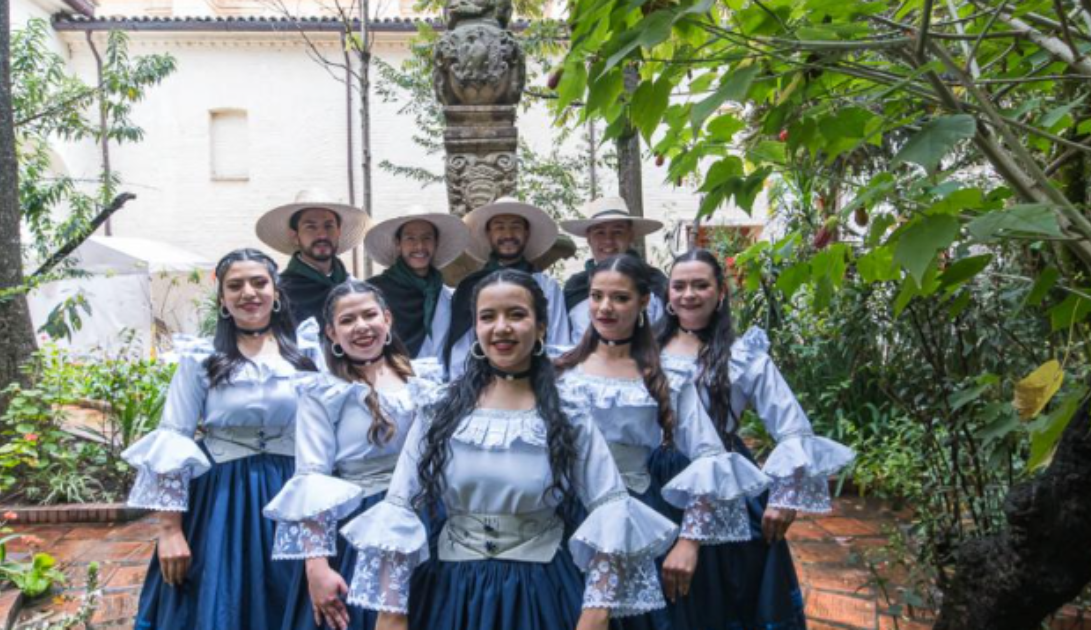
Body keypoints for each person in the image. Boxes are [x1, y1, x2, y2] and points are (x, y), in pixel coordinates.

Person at [339, 269, 677, 630]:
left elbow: (610, 506)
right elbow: (400, 506)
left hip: (541, 592)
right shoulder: (439, 409)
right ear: (476, 328)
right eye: (488, 317)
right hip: (451, 593)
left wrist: (594, 614)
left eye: (516, 315)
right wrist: (392, 615)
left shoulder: (568, 411)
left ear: (542, 327)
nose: (501, 328)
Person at [554, 254, 772, 629]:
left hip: (633, 511)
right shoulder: (557, 370)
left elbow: (709, 455)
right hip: (562, 517)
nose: (605, 307)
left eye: (620, 298)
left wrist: (689, 541)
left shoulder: (664, 376)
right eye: (596, 295)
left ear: (644, 303)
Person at [656, 249, 855, 629]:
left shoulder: (742, 355)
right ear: (668, 294)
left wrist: (784, 497)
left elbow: (792, 426)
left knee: (727, 596)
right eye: (679, 286)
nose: (688, 295)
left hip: (727, 480)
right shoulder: (647, 349)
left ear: (721, 292)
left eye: (701, 285)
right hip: (658, 482)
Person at [125, 248, 318, 630]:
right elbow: (174, 437)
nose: (249, 292)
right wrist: (170, 530)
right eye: (236, 285)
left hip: (291, 492)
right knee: (223, 597)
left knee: (292, 597)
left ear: (276, 292)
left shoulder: (306, 353)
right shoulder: (202, 357)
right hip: (223, 498)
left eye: (259, 282)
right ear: (223, 299)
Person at [263, 281, 441, 630]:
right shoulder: (323, 390)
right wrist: (316, 566)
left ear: (387, 319)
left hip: (425, 518)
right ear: (331, 332)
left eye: (369, 314)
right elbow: (313, 477)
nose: (361, 326)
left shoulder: (422, 378)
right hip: (359, 524)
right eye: (347, 320)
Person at [443, 197, 571, 379]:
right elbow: (461, 352)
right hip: (482, 388)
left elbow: (559, 344)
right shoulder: (470, 287)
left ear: (527, 233)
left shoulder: (547, 286)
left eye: (516, 226)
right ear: (488, 233)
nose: (508, 234)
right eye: (500, 227)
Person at [364, 206, 471, 360]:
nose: (419, 246)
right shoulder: (373, 292)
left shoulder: (446, 296)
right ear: (398, 244)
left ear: (436, 243)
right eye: (410, 238)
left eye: (427, 238)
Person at [256, 188, 370, 329]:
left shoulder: (356, 288)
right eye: (311, 227)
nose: (322, 235)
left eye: (329, 226)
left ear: (338, 232)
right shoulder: (280, 293)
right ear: (295, 236)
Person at [560, 197, 667, 343]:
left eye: (617, 232)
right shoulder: (574, 288)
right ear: (588, 238)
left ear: (630, 235)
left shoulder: (653, 283)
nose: (608, 240)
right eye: (600, 232)